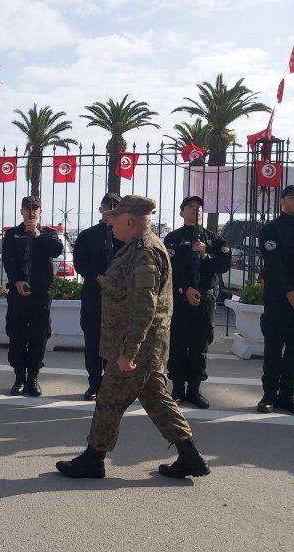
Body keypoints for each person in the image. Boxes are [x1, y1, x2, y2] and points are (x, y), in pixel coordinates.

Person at [56, 195, 210, 480]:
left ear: (129, 221)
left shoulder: (143, 252)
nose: (110, 222)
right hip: (143, 345)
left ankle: (93, 459)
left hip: (136, 346)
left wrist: (129, 352)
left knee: (108, 400)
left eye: (115, 218)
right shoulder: (137, 248)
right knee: (156, 399)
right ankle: (190, 457)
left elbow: (145, 306)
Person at [164, 196, 231, 409]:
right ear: (182, 212)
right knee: (177, 342)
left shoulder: (214, 240)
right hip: (180, 297)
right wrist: (186, 288)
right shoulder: (173, 239)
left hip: (205, 298)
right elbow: (170, 268)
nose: (196, 210)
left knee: (200, 344)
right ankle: (177, 389)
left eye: (199, 207)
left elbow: (223, 265)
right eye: (191, 207)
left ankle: (194, 389)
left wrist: (205, 255)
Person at [2, 196, 63, 397]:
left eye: (35, 208)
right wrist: (17, 281)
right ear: (21, 211)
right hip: (18, 294)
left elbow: (56, 250)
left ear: (40, 212)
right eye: (27, 208)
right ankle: (19, 378)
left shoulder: (48, 233)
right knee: (16, 335)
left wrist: (36, 234)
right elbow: (9, 261)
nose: (31, 212)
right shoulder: (12, 234)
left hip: (40, 295)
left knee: (39, 336)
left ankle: (33, 378)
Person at [73, 192, 124, 400]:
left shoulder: (125, 235)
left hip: (118, 296)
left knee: (115, 342)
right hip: (94, 294)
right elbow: (80, 262)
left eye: (115, 206)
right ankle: (94, 383)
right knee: (93, 340)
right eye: (107, 206)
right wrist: (96, 277)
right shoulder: (88, 235)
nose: (110, 209)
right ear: (100, 208)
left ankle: (111, 385)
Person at [256, 184, 294, 414]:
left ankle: (287, 396)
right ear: (281, 201)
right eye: (291, 197)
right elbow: (274, 264)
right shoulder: (271, 229)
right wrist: (289, 292)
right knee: (273, 350)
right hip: (278, 299)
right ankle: (268, 395)